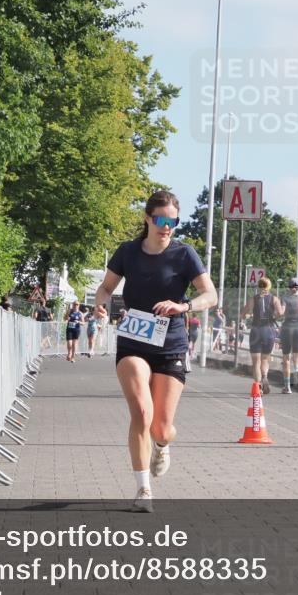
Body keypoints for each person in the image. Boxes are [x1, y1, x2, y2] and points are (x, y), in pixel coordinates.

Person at [94, 191, 217, 512]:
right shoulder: (128, 252)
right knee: (142, 414)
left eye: (173, 222)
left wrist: (183, 305)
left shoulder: (184, 254)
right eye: (161, 220)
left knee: (161, 427)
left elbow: (211, 295)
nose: (167, 227)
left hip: (171, 344)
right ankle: (143, 489)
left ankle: (161, 445)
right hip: (134, 341)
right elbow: (106, 288)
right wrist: (100, 306)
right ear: (148, 219)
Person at [243, 277, 282, 394]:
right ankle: (265, 376)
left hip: (256, 331)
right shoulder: (274, 299)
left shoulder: (253, 299)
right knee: (265, 359)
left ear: (258, 286)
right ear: (269, 287)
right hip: (269, 331)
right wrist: (274, 317)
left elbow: (244, 314)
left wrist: (247, 315)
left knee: (256, 362)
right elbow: (280, 313)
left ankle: (258, 386)